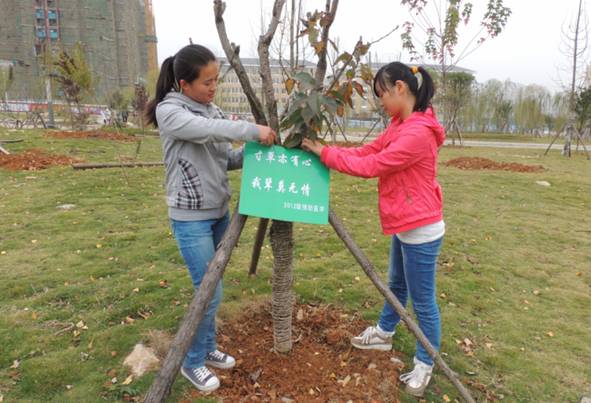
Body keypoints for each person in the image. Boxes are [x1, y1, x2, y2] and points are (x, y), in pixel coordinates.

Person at [302, 62, 445, 397]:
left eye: (381, 94)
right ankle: (384, 332)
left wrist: (327, 155)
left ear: (400, 88)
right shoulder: (400, 124)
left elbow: (372, 165)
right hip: (405, 221)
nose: (380, 101)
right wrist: (330, 151)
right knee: (396, 284)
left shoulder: (417, 133)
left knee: (423, 302)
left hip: (421, 229)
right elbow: (369, 150)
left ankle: (425, 362)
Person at [145, 44, 276, 392]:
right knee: (208, 291)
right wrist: (252, 130)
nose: (213, 87)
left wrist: (252, 152)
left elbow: (225, 159)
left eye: (216, 80)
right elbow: (209, 130)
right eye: (207, 82)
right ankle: (191, 362)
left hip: (219, 213)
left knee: (212, 286)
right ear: (184, 84)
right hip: (190, 218)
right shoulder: (170, 111)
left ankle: (207, 348)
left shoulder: (211, 109)